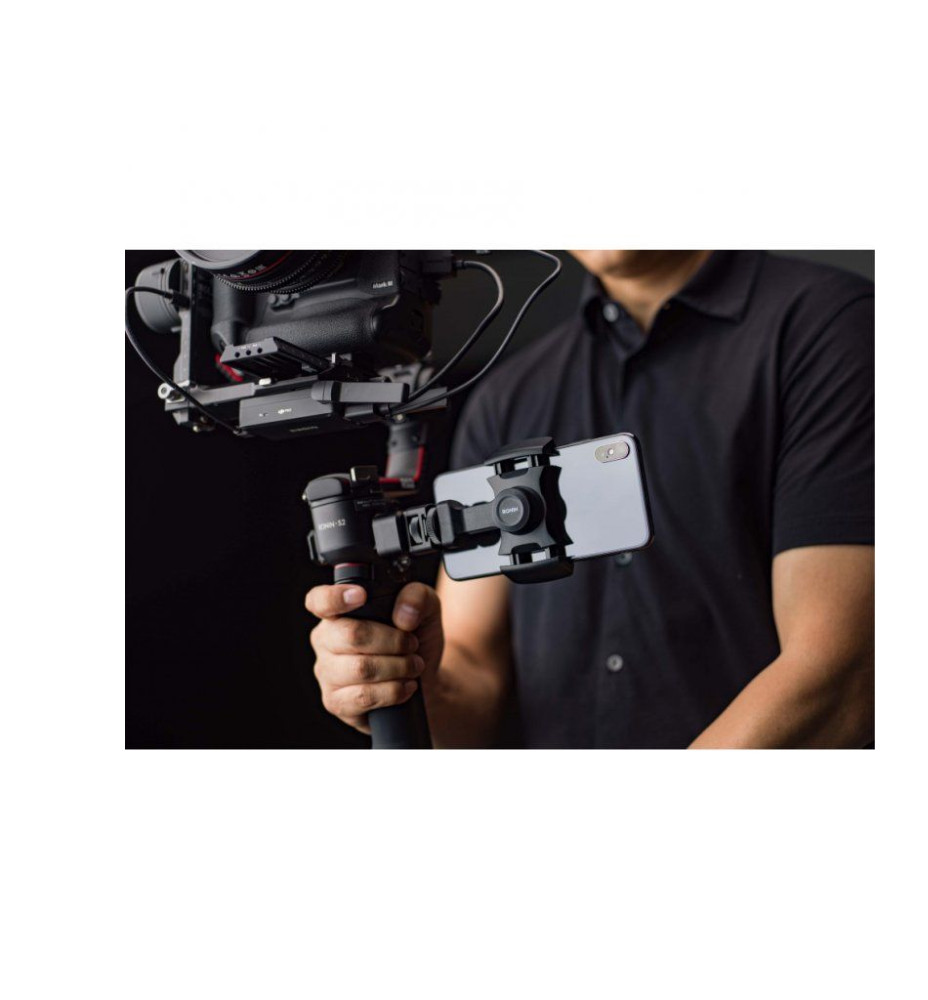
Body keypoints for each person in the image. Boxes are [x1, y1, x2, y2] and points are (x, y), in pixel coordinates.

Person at [305, 251, 875, 748]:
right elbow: (472, 676)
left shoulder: (834, 327)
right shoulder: (508, 398)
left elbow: (840, 675)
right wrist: (408, 684)